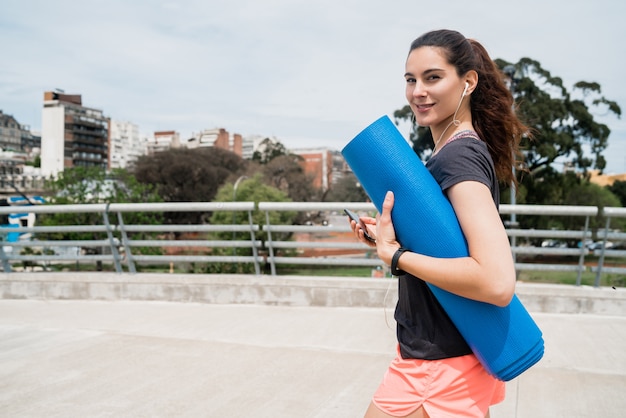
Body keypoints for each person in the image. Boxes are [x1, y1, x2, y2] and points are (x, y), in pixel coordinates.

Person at [348, 29, 529, 418]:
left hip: (435, 368)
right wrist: (389, 240)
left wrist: (398, 258)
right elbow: (453, 246)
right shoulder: (455, 151)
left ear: (468, 82)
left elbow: (496, 282)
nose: (417, 92)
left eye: (433, 77)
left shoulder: (458, 158)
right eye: (410, 80)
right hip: (449, 355)